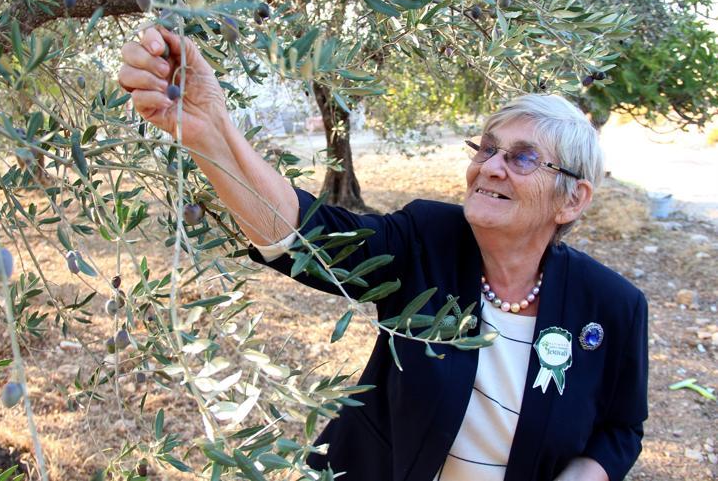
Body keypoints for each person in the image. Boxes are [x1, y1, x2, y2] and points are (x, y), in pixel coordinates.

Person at [119, 26, 648, 481]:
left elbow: (621, 428)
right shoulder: (427, 240)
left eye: (522, 157)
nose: (490, 166)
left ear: (572, 198)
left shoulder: (613, 306)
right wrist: (211, 129)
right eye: (487, 148)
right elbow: (303, 237)